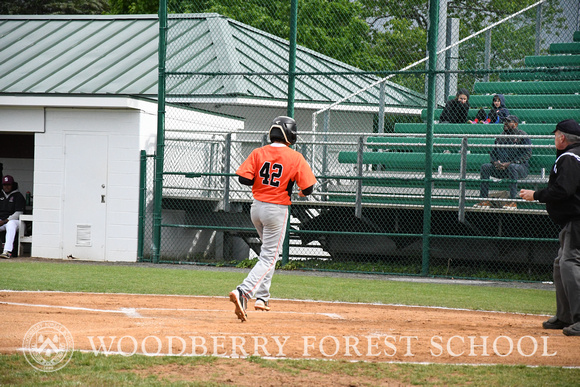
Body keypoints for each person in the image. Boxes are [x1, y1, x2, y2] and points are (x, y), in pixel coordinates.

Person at [229, 116, 317, 322]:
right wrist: (297, 190)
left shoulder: (259, 152)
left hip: (256, 209)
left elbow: (244, 178)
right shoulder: (295, 157)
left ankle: (262, 298)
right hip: (276, 210)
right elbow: (308, 189)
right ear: (290, 135)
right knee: (270, 256)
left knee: (268, 255)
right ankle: (243, 292)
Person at [519, 119, 580, 337]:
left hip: (576, 220)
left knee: (569, 261)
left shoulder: (570, 157)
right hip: (571, 221)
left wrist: (536, 195)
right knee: (560, 264)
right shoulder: (574, 155)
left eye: (556, 135)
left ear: (562, 137)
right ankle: (564, 315)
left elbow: (563, 190)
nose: (555, 138)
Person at [474, 115, 532, 209]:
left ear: (515, 124)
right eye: (505, 121)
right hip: (502, 168)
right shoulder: (501, 137)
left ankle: (513, 202)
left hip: (520, 168)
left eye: (508, 121)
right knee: (485, 167)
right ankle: (484, 200)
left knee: (512, 167)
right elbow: (493, 154)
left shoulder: (522, 135)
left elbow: (527, 154)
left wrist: (511, 163)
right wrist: (495, 162)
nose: (505, 123)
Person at [0, 175, 26, 259]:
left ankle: (7, 251)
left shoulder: (18, 196)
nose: (6, 187)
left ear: (12, 185)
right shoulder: (0, 194)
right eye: (4, 185)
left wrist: (4, 221)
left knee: (11, 224)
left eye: (8, 185)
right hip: (2, 221)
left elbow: (19, 213)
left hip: (16, 222)